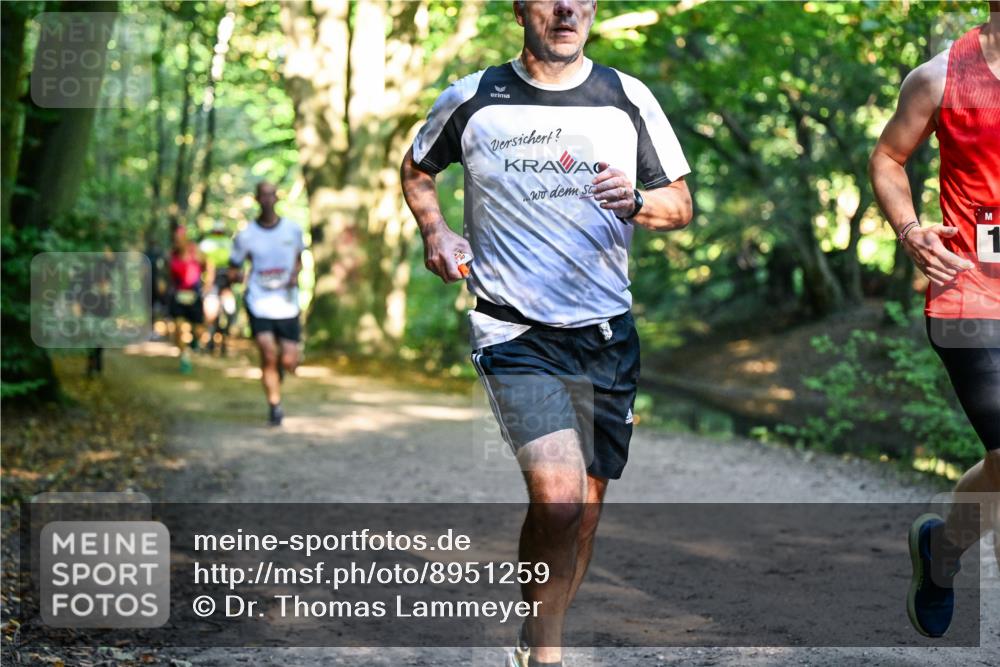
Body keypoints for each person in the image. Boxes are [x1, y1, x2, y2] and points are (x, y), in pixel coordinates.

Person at [401, 2, 692, 664]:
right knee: (559, 501)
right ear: (519, 9)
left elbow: (679, 204)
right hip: (513, 331)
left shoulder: (626, 98)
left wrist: (637, 201)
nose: (566, 9)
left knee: (584, 512)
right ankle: (548, 657)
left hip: (605, 335)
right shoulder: (474, 99)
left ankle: (534, 634)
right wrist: (435, 231)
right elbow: (418, 168)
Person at [869, 1, 1000, 639]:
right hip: (969, 293)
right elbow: (888, 158)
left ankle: (942, 549)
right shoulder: (940, 76)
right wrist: (910, 229)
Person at [228, 182, 305, 427]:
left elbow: (299, 260)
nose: (268, 199)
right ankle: (274, 405)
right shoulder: (246, 235)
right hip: (259, 302)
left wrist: (295, 274)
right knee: (268, 353)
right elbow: (233, 268)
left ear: (277, 198)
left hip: (287, 303)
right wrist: (238, 277)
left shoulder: (292, 230)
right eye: (263, 195)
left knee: (288, 361)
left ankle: (280, 369)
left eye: (272, 195)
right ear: (257, 199)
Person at [168, 226, 206, 374]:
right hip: (178, 295)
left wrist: (208, 283)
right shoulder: (172, 255)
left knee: (198, 330)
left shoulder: (195, 251)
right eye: (175, 240)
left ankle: (194, 342)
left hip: (194, 295)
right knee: (179, 328)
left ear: (185, 239)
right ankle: (184, 357)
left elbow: (208, 264)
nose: (177, 242)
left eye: (179, 239)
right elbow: (169, 274)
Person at [199, 221, 237, 355]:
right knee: (213, 313)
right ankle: (212, 341)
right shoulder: (209, 243)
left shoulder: (224, 243)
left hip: (224, 281)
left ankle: (222, 340)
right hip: (213, 280)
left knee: (227, 311)